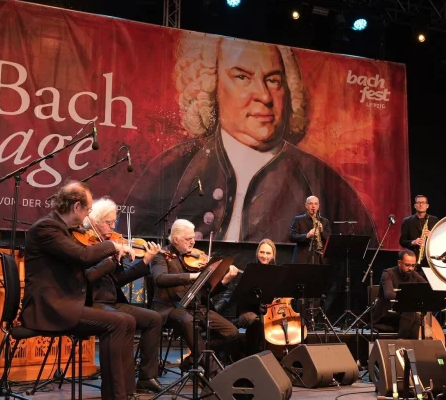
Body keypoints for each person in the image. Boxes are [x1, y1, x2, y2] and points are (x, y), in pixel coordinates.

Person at [123, 37, 377, 245]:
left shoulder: (325, 183)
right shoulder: (172, 168)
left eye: (273, 80)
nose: (264, 96)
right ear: (211, 85)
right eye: (242, 77)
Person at [19, 181, 136, 400]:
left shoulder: (62, 230)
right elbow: (83, 257)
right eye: (87, 210)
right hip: (50, 308)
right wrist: (114, 246)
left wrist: (111, 260)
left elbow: (84, 272)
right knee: (117, 323)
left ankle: (127, 393)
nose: (87, 215)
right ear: (76, 207)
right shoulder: (47, 228)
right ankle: (115, 396)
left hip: (65, 303)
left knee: (128, 321)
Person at [83, 197, 164, 394]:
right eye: (108, 222)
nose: (113, 227)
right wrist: (110, 256)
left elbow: (119, 279)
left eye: (114, 222)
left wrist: (145, 261)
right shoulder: (86, 244)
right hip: (92, 302)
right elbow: (87, 276)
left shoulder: (111, 243)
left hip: (112, 301)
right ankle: (119, 389)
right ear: (94, 221)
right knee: (123, 321)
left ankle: (146, 377)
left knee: (154, 318)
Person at [150, 219, 241, 370]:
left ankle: (192, 360)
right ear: (176, 239)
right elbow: (160, 279)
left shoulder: (195, 258)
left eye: (193, 238)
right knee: (188, 321)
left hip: (196, 307)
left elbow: (206, 292)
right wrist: (191, 276)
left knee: (232, 333)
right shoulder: (162, 256)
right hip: (170, 308)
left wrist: (225, 280)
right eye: (188, 239)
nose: (193, 242)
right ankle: (214, 372)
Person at [214, 239, 278, 358]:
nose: (264, 256)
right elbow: (240, 298)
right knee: (257, 321)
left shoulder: (277, 273)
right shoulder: (249, 270)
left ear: (273, 255)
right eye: (262, 252)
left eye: (268, 253)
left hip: (269, 312)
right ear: (257, 253)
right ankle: (251, 355)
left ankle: (276, 355)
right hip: (247, 312)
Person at [371, 249, 427, 338]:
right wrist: (410, 298)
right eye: (407, 265)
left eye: (413, 265)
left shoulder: (414, 275)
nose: (411, 268)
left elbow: (427, 288)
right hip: (385, 315)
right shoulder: (388, 273)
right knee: (410, 312)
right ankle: (402, 341)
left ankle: (410, 344)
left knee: (416, 317)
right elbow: (389, 295)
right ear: (399, 263)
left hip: (402, 316)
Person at [290, 196, 331, 264]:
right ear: (306, 205)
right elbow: (292, 237)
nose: (313, 206)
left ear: (318, 206)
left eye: (316, 204)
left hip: (320, 259)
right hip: (303, 258)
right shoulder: (298, 219)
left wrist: (322, 231)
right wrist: (307, 235)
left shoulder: (325, 221)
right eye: (310, 203)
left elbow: (329, 240)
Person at [399, 195, 438, 263]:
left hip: (431, 257)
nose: (421, 204)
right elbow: (402, 241)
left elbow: (440, 238)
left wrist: (432, 235)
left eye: (423, 202)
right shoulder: (407, 221)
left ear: (427, 206)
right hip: (413, 258)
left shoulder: (434, 220)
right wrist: (413, 242)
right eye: (418, 202)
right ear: (415, 206)